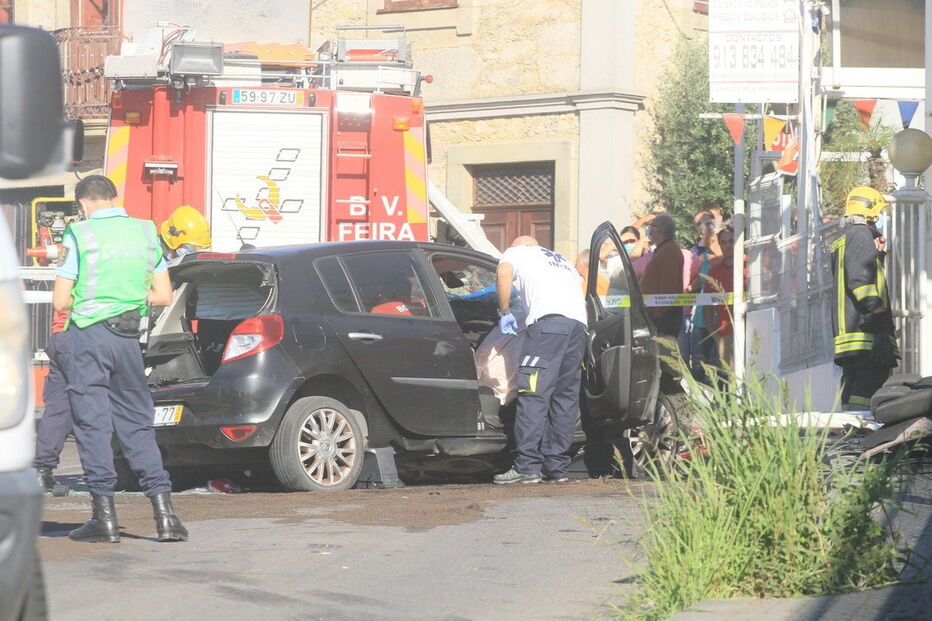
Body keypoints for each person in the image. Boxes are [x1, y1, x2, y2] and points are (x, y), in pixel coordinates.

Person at [52, 175, 188, 543]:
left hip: (88, 340)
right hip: (127, 342)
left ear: (84, 204)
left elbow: (61, 301)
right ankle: (166, 516)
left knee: (93, 425)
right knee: (137, 424)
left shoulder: (80, 234)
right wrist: (127, 297)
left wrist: (97, 300)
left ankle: (104, 518)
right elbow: (163, 295)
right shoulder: (145, 232)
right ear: (115, 198)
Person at [493, 236, 587, 484]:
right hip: (577, 327)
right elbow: (579, 287)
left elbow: (503, 274)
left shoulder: (516, 252)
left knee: (533, 393)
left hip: (548, 328)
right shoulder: (561, 260)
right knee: (564, 397)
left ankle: (527, 467)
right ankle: (556, 467)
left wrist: (504, 311)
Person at [831, 186, 899, 409]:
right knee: (869, 386)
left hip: (848, 333)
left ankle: (850, 427)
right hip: (865, 329)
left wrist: (876, 254)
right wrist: (877, 310)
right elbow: (860, 279)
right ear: (871, 211)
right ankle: (861, 426)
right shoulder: (860, 234)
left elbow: (853, 268)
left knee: (852, 386)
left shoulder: (842, 237)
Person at [33, 309, 74, 493]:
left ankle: (42, 472)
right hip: (91, 334)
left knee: (58, 408)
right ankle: (102, 476)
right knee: (100, 404)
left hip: (61, 335)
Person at [638, 214, 684, 339]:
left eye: (652, 226)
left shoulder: (668, 252)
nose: (649, 229)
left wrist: (658, 313)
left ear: (659, 229)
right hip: (657, 314)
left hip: (664, 318)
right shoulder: (663, 250)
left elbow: (668, 286)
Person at [705, 226, 735, 369]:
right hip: (724, 335)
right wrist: (714, 335)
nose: (728, 245)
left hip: (751, 330)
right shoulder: (714, 272)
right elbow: (706, 304)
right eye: (724, 242)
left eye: (731, 241)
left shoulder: (750, 266)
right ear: (720, 245)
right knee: (731, 377)